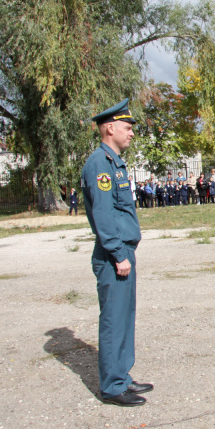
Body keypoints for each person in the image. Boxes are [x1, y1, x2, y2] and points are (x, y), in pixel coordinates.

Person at [81, 98, 152, 407]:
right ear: (110, 128)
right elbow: (104, 214)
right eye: (127, 127)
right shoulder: (100, 163)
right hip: (114, 255)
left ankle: (122, 375)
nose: (131, 133)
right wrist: (117, 253)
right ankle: (112, 387)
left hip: (123, 251)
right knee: (113, 319)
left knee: (125, 316)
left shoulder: (114, 161)